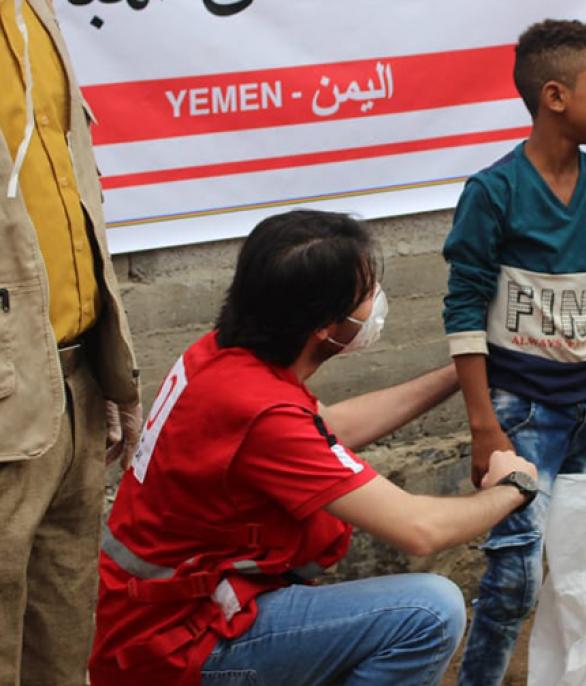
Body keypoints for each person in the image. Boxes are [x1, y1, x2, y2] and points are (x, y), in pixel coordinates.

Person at [88, 210, 541, 686]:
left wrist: (460, 373)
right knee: (428, 612)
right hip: (181, 653)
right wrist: (513, 486)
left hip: (151, 628)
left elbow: (325, 429)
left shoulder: (222, 356)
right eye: (366, 294)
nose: (376, 303)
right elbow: (418, 529)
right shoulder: (259, 411)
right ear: (325, 325)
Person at [442, 18, 586, 685]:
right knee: (514, 576)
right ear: (556, 97)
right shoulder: (494, 193)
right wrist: (486, 427)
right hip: (521, 413)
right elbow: (463, 311)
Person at [1, 0, 142, 683]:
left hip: (73, 384)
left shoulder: (36, 12)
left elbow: (74, 199)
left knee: (60, 652)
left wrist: (108, 372)